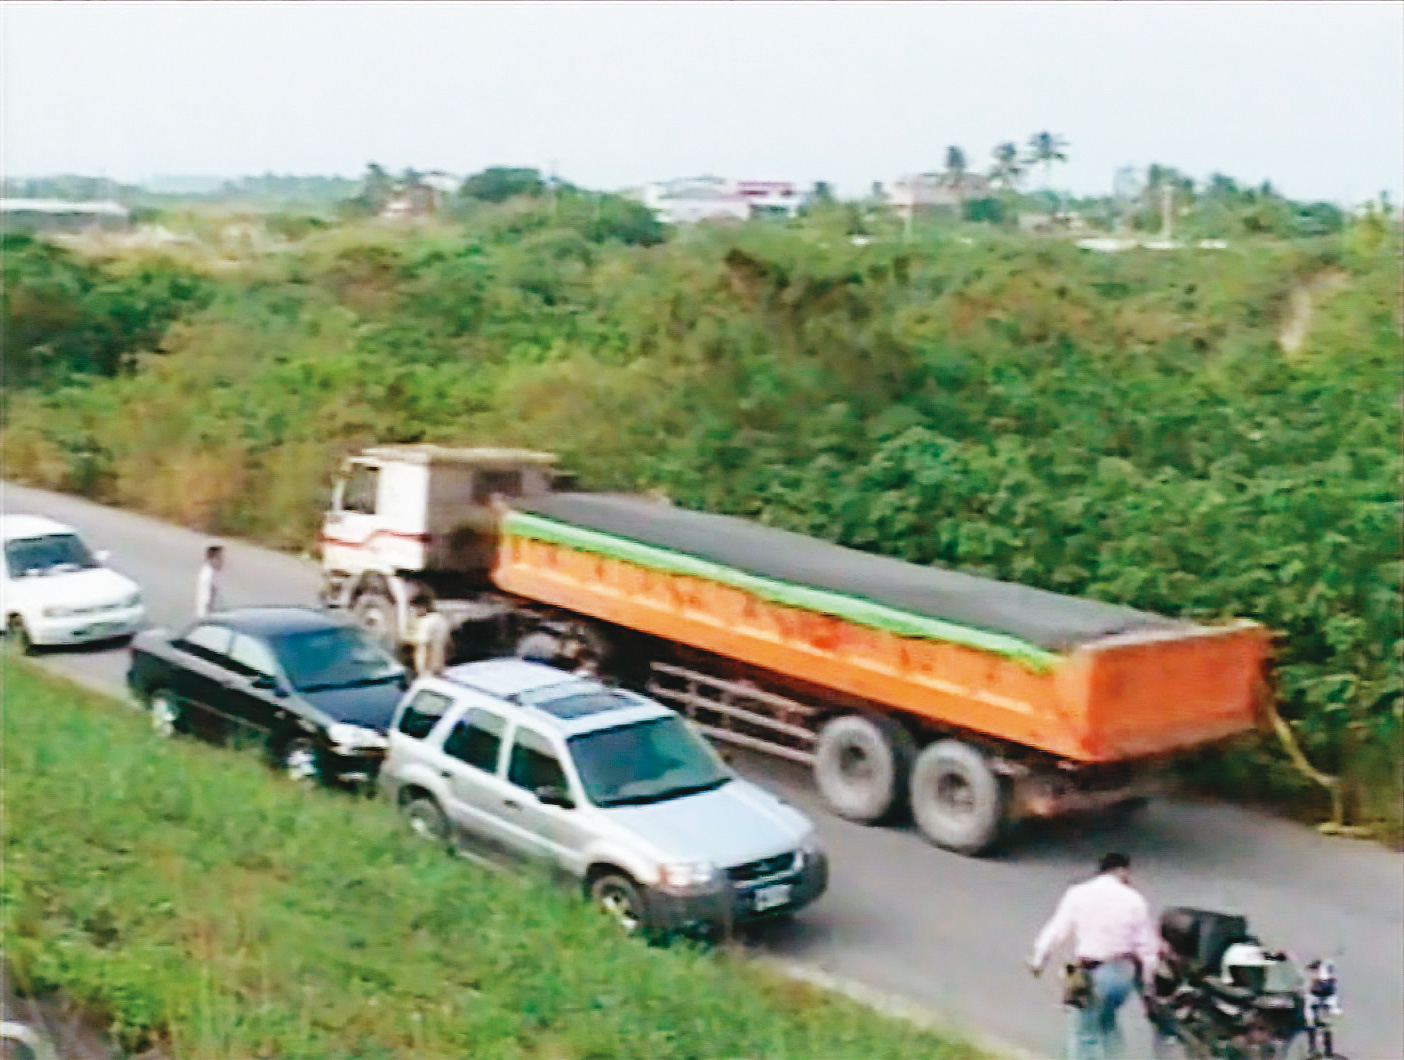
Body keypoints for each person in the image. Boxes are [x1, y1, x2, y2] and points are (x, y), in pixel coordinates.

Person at [1028, 852, 1161, 1060]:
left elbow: (1057, 930)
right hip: (1121, 976)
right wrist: (1148, 983)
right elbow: (1148, 948)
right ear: (1122, 870)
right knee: (1107, 1022)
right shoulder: (1135, 900)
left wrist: (1039, 958)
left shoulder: (1078, 893)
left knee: (1083, 1033)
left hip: (1091, 973)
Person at [408, 594, 450, 676]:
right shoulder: (441, 619)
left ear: (421, 606)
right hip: (441, 667)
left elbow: (423, 648)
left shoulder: (426, 622)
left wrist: (422, 671)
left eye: (413, 608)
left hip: (429, 670)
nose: (412, 611)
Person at [195, 544, 224, 617]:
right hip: (207, 615)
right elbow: (206, 599)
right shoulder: (208, 575)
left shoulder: (213, 572)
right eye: (219, 557)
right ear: (212, 559)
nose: (222, 561)